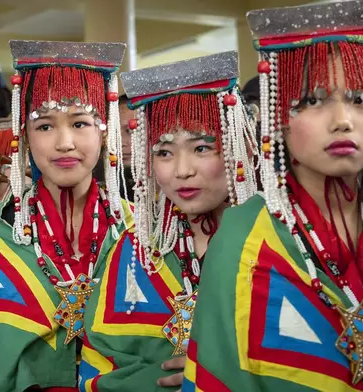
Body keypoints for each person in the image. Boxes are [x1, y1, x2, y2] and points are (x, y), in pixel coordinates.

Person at [183, 1, 363, 391]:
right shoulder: (241, 237)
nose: (343, 120)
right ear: (277, 118)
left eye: (361, 99)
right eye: (313, 100)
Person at [0, 40, 146, 391]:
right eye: (45, 126)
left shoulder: (135, 229)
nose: (64, 142)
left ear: (104, 131)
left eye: (81, 123)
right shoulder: (1, 231)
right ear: (24, 136)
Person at [119, 51, 258, 390]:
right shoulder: (136, 249)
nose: (182, 170)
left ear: (240, 147)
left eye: (201, 148)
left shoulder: (275, 243)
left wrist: (219, 370)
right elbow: (107, 359)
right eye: (163, 152)